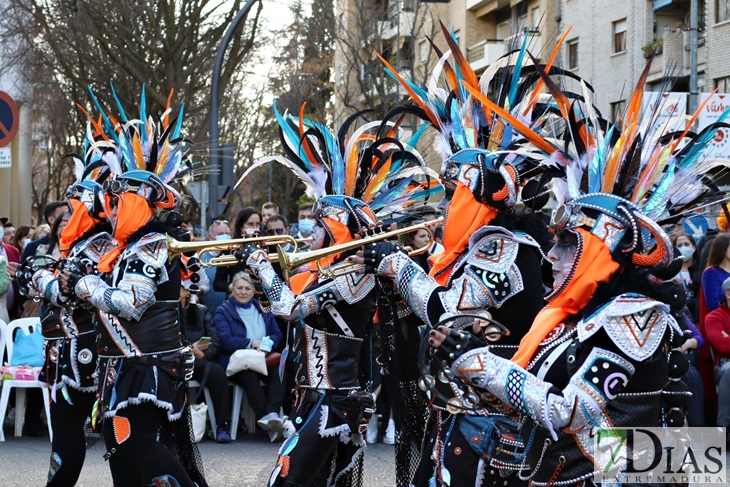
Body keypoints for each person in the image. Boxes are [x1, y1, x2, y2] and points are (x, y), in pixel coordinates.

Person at [427, 61, 727, 484]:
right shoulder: (579, 316)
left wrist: (478, 362)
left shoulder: (635, 318)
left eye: (568, 243)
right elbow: (533, 383)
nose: (551, 255)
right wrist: (467, 351)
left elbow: (570, 412)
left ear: (602, 251)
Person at [235, 101, 441, 487]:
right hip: (316, 397)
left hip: (334, 400)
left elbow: (290, 307)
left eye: (319, 224)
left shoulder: (355, 276)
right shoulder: (330, 272)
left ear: (337, 231)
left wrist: (261, 265)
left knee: (284, 482)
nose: (310, 233)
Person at [61, 88, 206, 487]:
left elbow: (132, 304)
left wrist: (85, 284)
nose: (112, 205)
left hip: (145, 365)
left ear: (139, 202)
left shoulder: (151, 244)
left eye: (120, 198)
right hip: (124, 364)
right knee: (119, 446)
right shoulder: (131, 246)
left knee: (136, 443)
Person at [24, 142, 113, 486]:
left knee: (88, 435)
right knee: (78, 435)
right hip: (67, 350)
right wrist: (36, 277)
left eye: (73, 208)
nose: (67, 216)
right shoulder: (83, 242)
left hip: (85, 351)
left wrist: (37, 275)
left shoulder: (98, 243)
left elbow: (66, 290)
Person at [215, 272, 285, 441]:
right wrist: (253, 343)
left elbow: (277, 334)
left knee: (279, 370)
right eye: (239, 288)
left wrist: (266, 346)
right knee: (249, 376)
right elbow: (224, 341)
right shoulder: (223, 311)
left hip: (262, 358)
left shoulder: (263, 309)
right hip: (236, 362)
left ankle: (273, 413)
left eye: (248, 288)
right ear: (232, 289)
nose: (243, 292)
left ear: (254, 291)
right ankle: (266, 418)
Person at [179, 278, 232, 443]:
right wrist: (189, 348)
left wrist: (204, 354)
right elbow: (163, 340)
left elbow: (215, 339)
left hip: (201, 361)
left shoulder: (202, 311)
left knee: (218, 374)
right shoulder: (166, 313)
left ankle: (222, 426)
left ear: (188, 292)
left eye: (179, 288)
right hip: (176, 362)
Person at [213, 207, 261, 293]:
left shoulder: (266, 247)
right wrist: (233, 287)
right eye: (250, 224)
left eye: (257, 224)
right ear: (241, 226)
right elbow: (218, 284)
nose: (255, 228)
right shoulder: (229, 249)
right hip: (237, 299)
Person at [705, 277, 730, 432]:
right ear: (728, 294)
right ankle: (723, 425)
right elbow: (721, 344)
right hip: (724, 364)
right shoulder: (714, 317)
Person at [198, 219, 230, 313]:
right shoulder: (201, 259)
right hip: (208, 315)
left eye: (227, 233)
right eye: (220, 234)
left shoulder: (234, 256)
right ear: (210, 237)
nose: (225, 236)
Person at [672, 232, 700, 320]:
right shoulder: (671, 273)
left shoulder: (701, 269)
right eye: (679, 245)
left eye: (687, 244)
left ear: (694, 247)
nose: (683, 247)